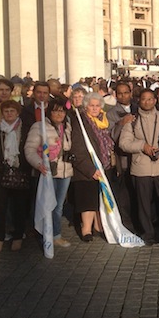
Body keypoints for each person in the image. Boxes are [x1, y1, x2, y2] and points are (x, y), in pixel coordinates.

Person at [119, 89, 159, 245]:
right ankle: (147, 233)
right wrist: (142, 146)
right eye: (144, 99)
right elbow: (124, 143)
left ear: (155, 101)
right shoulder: (132, 120)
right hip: (140, 167)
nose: (147, 102)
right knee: (143, 204)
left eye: (150, 99)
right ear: (139, 101)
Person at [24, 97, 73, 248]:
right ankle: (45, 233)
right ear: (49, 112)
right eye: (55, 111)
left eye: (62, 111)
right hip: (46, 171)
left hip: (64, 170)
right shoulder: (39, 126)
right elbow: (30, 149)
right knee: (46, 204)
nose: (59, 114)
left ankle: (56, 234)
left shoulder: (67, 127)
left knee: (58, 205)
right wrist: (38, 164)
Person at [0, 100, 31, 252]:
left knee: (19, 206)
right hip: (1, 172)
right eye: (6, 111)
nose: (9, 114)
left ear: (18, 113)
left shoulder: (25, 129)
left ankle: (18, 236)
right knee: (0, 206)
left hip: (20, 171)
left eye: (12, 111)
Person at [70, 92, 113, 241]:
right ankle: (86, 229)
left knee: (99, 198)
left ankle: (98, 226)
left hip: (103, 165)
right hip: (86, 167)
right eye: (91, 105)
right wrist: (89, 169)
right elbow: (77, 147)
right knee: (87, 199)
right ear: (86, 106)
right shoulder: (81, 121)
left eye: (97, 106)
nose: (94, 108)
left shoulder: (103, 120)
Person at [107, 82, 138, 233]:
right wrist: (120, 123)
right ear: (116, 95)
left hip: (139, 157)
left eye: (126, 92)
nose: (123, 96)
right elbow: (111, 136)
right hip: (123, 159)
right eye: (120, 93)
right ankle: (127, 222)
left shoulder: (137, 107)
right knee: (124, 192)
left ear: (130, 93)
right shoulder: (111, 113)